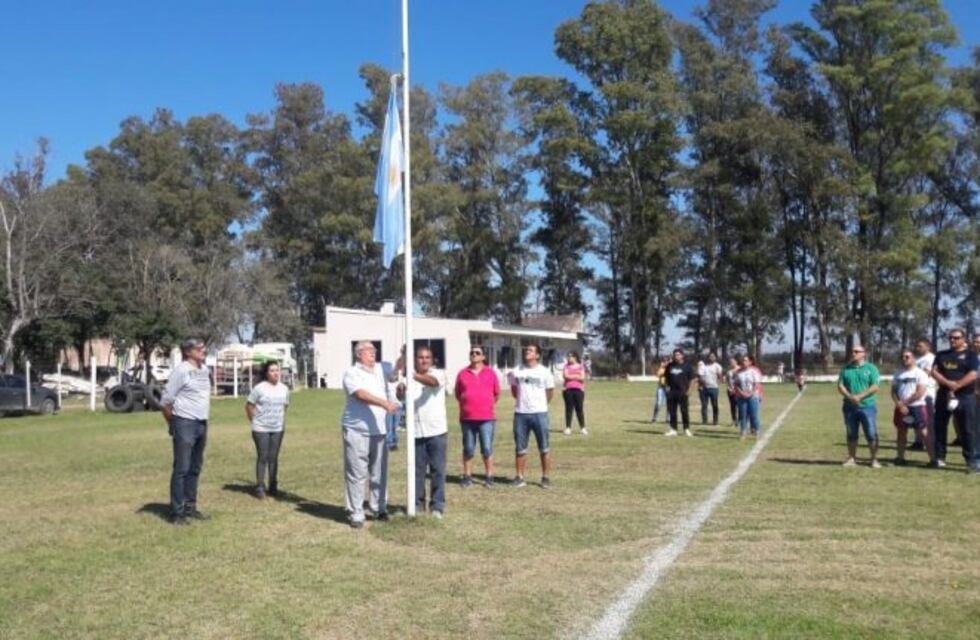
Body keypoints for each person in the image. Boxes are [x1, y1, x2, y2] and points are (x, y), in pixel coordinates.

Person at [341, 340, 400, 529]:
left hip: (379, 430)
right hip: (357, 430)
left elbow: (396, 372)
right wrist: (384, 403)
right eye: (368, 350)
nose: (373, 353)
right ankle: (356, 512)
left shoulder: (381, 370)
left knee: (379, 473)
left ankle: (379, 507)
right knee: (357, 473)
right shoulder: (352, 373)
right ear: (358, 354)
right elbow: (360, 394)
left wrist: (404, 357)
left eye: (374, 350)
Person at [160, 338, 213, 525]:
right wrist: (173, 424)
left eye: (203, 347)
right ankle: (177, 512)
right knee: (182, 468)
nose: (203, 350)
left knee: (195, 468)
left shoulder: (205, 370)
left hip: (201, 423)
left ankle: (190, 507)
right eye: (199, 348)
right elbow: (166, 402)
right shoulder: (181, 371)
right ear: (188, 352)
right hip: (185, 423)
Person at [401, 346, 448, 518]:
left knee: (438, 470)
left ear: (432, 359)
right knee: (417, 471)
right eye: (420, 357)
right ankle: (417, 504)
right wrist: (401, 388)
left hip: (436, 431)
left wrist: (412, 375)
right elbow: (400, 395)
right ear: (415, 359)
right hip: (415, 432)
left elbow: (432, 383)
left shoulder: (439, 373)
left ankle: (437, 506)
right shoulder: (409, 378)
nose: (424, 360)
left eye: (427, 357)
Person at [930, 329, 978, 472]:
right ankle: (939, 458)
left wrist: (957, 385)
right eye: (950, 338)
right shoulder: (941, 355)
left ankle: (972, 461)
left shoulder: (971, 355)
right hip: (944, 395)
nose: (952, 340)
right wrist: (947, 383)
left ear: (964, 339)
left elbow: (973, 374)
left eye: (956, 338)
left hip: (965, 397)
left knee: (967, 429)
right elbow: (934, 371)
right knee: (939, 427)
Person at [508, 343, 555, 488]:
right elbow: (514, 390)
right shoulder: (517, 371)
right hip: (521, 414)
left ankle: (545, 477)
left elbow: (550, 392)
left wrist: (540, 405)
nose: (527, 351)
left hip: (540, 414)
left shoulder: (545, 372)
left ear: (537, 355)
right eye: (526, 349)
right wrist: (522, 403)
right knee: (520, 448)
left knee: (544, 447)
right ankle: (519, 477)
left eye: (530, 350)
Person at [455, 345, 500, 488]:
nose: (474, 354)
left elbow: (496, 393)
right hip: (467, 418)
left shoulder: (491, 373)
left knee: (487, 448)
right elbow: (458, 393)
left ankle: (489, 476)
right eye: (472, 352)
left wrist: (485, 404)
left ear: (483, 357)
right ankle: (467, 476)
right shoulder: (462, 373)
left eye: (477, 352)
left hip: (486, 418)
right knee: (468, 448)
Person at [245, 361, 290, 498]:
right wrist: (254, 420)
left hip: (277, 428)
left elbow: (285, 406)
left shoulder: (284, 389)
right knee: (263, 457)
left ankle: (273, 485)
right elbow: (249, 405)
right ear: (266, 373)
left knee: (274, 457)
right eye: (272, 370)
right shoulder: (259, 388)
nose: (276, 373)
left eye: (277, 370)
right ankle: (259, 486)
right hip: (261, 428)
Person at [837, 344, 881, 468]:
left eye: (856, 351)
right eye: (852, 351)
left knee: (871, 433)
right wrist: (850, 397)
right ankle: (851, 458)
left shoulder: (871, 368)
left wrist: (860, 396)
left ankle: (874, 459)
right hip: (849, 407)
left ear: (863, 353)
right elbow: (840, 386)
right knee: (851, 433)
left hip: (867, 407)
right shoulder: (846, 369)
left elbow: (875, 386)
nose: (853, 353)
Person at [891, 349, 935, 466]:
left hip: (917, 407)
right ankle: (900, 458)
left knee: (924, 432)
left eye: (907, 357)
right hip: (901, 408)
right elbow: (893, 391)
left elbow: (920, 392)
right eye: (903, 357)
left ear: (913, 358)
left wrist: (904, 403)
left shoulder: (920, 373)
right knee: (901, 432)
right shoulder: (898, 373)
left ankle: (933, 460)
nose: (904, 359)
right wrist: (898, 404)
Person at [911, 339, 937, 451]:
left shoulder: (930, 358)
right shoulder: (918, 359)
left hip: (927, 393)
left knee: (928, 418)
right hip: (916, 393)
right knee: (917, 417)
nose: (917, 348)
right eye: (917, 346)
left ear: (928, 347)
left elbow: (927, 374)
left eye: (920, 346)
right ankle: (918, 441)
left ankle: (931, 441)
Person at [664, 348, 696, 437]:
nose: (676, 356)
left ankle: (686, 429)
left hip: (683, 392)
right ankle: (673, 429)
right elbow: (666, 378)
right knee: (672, 411)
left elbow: (693, 379)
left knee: (684, 411)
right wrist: (667, 387)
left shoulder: (688, 366)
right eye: (674, 355)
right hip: (672, 392)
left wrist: (689, 391)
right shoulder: (669, 366)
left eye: (678, 354)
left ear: (682, 355)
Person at [734, 355, 762, 438]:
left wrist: (750, 393)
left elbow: (756, 384)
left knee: (754, 415)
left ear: (750, 362)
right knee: (743, 415)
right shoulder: (738, 372)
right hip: (741, 396)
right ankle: (743, 432)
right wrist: (741, 393)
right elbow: (736, 384)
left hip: (753, 396)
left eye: (746, 360)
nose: (744, 362)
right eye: (743, 360)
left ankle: (756, 431)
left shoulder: (754, 371)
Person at [562, 351, 587, 435]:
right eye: (568, 356)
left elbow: (582, 378)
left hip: (579, 390)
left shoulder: (581, 366)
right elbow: (566, 376)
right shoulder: (566, 366)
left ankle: (582, 427)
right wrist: (576, 376)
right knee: (569, 409)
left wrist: (572, 377)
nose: (569, 358)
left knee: (579, 409)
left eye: (570, 356)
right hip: (568, 390)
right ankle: (568, 427)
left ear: (575, 357)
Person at [699, 353, 723, 425]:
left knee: (715, 405)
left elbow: (720, 376)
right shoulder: (703, 366)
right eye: (710, 356)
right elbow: (700, 376)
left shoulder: (717, 366)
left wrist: (717, 382)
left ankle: (715, 421)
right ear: (708, 357)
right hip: (704, 389)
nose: (711, 358)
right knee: (704, 405)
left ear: (715, 358)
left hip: (714, 388)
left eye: (713, 356)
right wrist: (702, 384)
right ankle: (704, 421)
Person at [651, 355, 670, 423]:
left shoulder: (671, 368)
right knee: (658, 403)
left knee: (669, 404)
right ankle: (654, 417)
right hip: (661, 387)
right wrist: (661, 367)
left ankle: (668, 419)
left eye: (666, 361)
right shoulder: (661, 368)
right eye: (663, 361)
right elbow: (657, 375)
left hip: (669, 387)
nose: (665, 362)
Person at [725, 356, 740, 426]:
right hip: (730, 391)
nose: (731, 363)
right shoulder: (729, 371)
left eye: (733, 362)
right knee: (732, 406)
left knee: (739, 406)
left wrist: (735, 389)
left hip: (738, 391)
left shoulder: (740, 369)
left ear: (736, 362)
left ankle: (740, 420)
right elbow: (727, 381)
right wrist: (729, 388)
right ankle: (734, 420)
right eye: (730, 362)